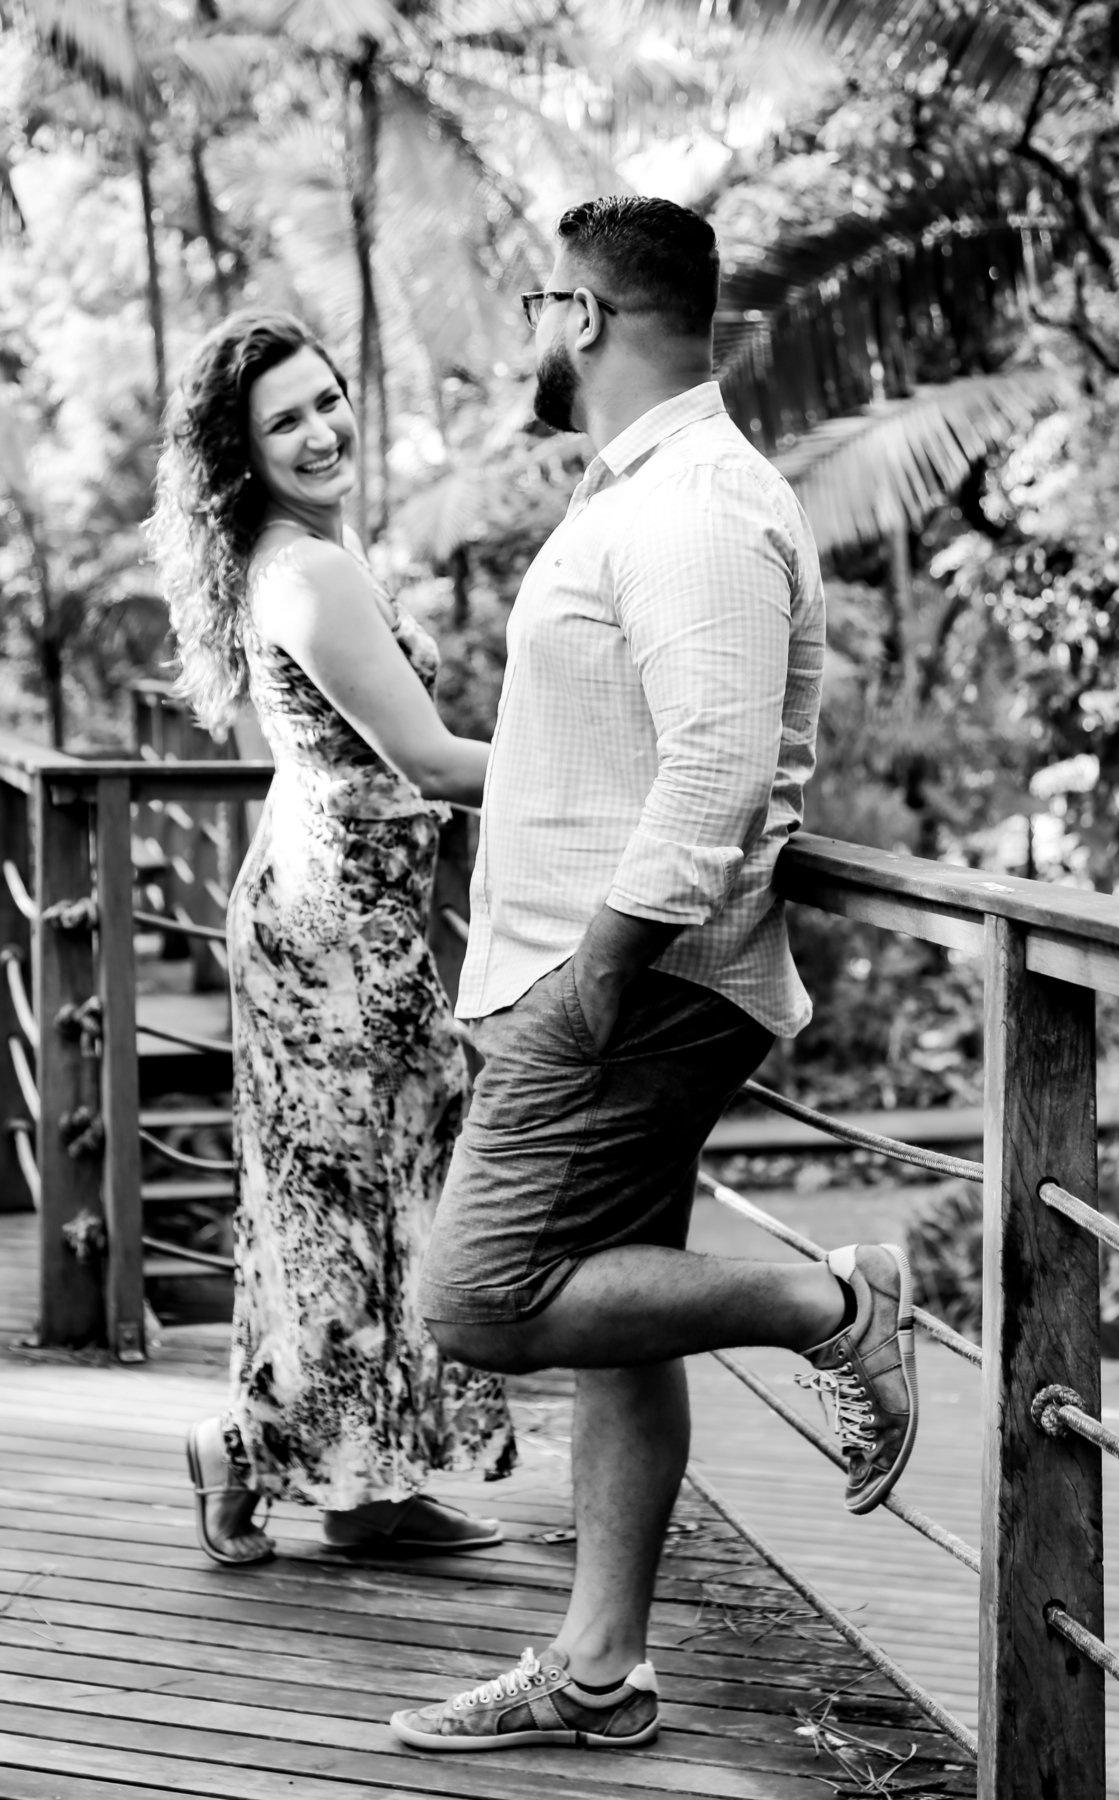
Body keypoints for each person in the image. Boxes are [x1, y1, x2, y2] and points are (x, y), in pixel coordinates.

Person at [389, 196, 917, 1754]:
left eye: (539, 309)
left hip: (629, 985)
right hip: (600, 978)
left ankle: (834, 1300)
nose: (531, 338)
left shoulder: (695, 505)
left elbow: (714, 777)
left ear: (584, 316)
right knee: (618, 1309)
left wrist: (593, 977)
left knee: (476, 1297)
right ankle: (600, 1672)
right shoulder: (644, 490)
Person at [147, 310, 515, 1568]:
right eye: (284, 420)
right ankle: (245, 1451)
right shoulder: (309, 572)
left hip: (333, 918)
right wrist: (609, 781)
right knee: (344, 1216)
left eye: (327, 400)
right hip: (333, 941)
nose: (320, 431)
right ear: (243, 452)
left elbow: (320, 759)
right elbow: (430, 761)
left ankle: (365, 1488)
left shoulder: (299, 556)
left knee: (365, 1206)